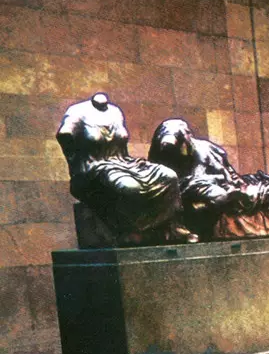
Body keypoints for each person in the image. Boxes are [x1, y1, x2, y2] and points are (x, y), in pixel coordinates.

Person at [56, 93, 198, 245]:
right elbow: (64, 134)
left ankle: (173, 228)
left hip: (124, 162)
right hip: (96, 166)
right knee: (129, 186)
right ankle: (132, 231)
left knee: (168, 176)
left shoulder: (115, 111)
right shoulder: (77, 112)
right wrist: (76, 166)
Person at [148, 118, 269, 237]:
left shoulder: (203, 150)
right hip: (224, 193)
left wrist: (232, 188)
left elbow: (228, 177)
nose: (187, 145)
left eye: (186, 140)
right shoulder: (163, 162)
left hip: (233, 188)